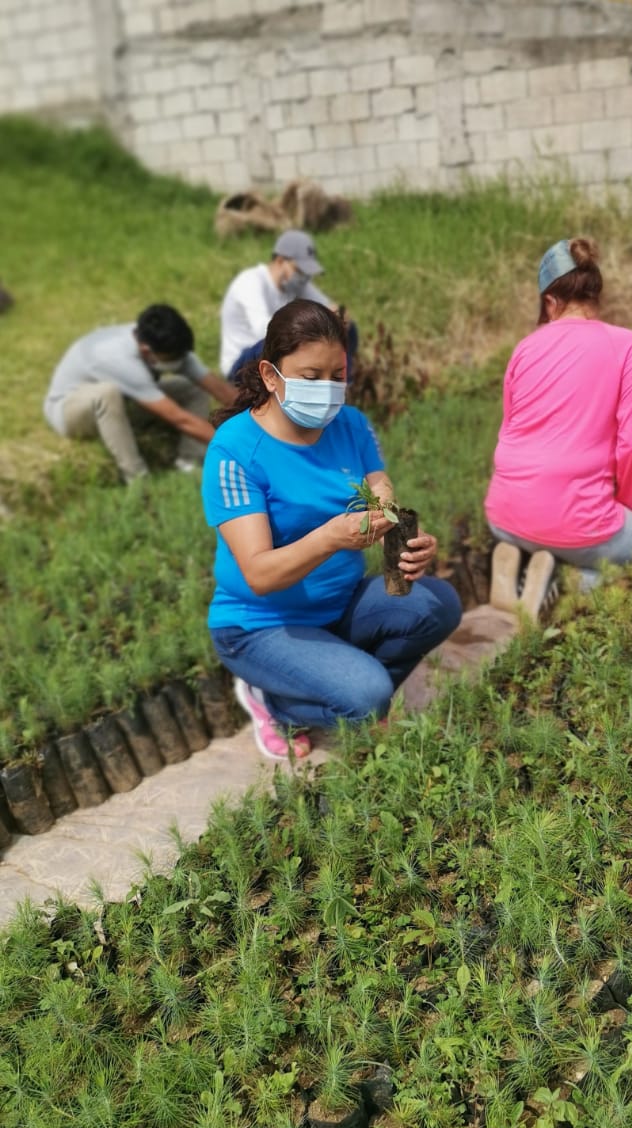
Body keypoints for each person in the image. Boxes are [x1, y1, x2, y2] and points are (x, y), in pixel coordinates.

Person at [201, 298, 460, 760]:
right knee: (366, 694)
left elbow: (379, 483)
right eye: (310, 376)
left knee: (439, 605)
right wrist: (330, 537)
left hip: (336, 606)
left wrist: (399, 532)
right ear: (269, 376)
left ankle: (333, 679)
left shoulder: (352, 424)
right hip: (261, 625)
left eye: (337, 375)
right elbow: (259, 575)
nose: (328, 389)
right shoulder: (235, 451)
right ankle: (278, 700)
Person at [484, 237, 632, 613]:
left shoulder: (523, 349)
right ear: (597, 296)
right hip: (577, 522)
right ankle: (567, 586)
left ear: (550, 301)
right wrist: (626, 504)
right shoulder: (628, 345)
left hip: (503, 513)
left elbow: (510, 429)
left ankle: (528, 568)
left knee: (564, 534)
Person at [43, 304, 236, 483]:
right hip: (70, 411)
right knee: (107, 394)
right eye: (173, 359)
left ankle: (190, 462)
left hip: (122, 405)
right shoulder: (120, 360)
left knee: (192, 387)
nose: (180, 362)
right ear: (146, 351)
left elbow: (219, 389)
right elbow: (180, 419)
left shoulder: (167, 343)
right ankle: (138, 480)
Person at [219, 228, 358, 383]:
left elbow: (331, 308)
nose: (304, 278)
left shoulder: (297, 285)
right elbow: (264, 331)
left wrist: (337, 316)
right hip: (243, 362)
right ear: (280, 261)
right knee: (279, 340)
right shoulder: (251, 282)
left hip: (279, 351)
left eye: (307, 274)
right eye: (299, 271)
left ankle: (342, 381)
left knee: (346, 327)